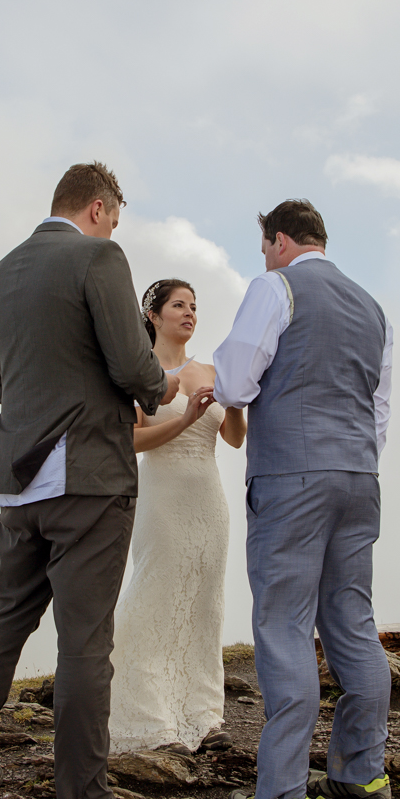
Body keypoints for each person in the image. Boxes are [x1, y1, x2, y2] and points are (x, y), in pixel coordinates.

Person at [0, 161, 180, 799]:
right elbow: (136, 369)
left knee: (3, 625)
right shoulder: (99, 256)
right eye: (117, 218)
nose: (115, 229)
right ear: (100, 208)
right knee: (85, 647)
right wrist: (161, 386)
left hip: (19, 478)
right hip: (88, 478)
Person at [212, 199, 395, 799]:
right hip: (360, 478)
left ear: (281, 240)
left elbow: (235, 384)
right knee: (352, 619)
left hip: (293, 475)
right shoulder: (373, 308)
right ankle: (363, 780)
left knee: (284, 624)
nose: (264, 257)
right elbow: (378, 408)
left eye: (265, 246)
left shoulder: (276, 286)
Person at [107, 278, 246, 754]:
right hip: (162, 500)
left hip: (209, 499)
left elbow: (233, 438)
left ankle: (205, 717)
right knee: (156, 597)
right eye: (178, 305)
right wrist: (184, 420)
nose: (189, 313)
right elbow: (131, 441)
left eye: (193, 306)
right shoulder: (137, 376)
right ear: (154, 315)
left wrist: (237, 404)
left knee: (204, 605)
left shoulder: (210, 370)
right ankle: (148, 718)